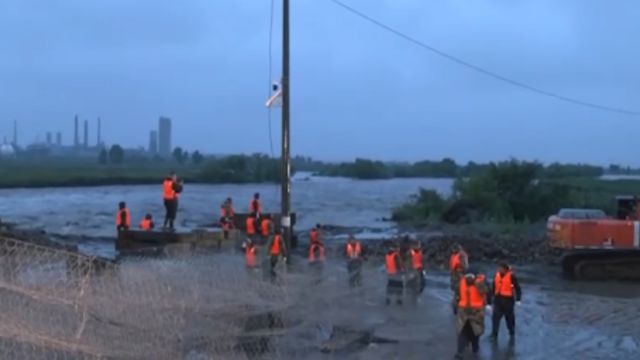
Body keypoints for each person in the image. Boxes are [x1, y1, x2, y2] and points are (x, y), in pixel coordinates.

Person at [455, 268, 488, 360]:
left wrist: (479, 283)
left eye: (471, 276)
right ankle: (459, 352)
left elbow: (486, 291)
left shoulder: (480, 284)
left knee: (475, 332)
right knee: (462, 331)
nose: (468, 278)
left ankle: (475, 348)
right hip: (464, 312)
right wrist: (455, 305)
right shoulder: (461, 283)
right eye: (467, 276)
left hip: (476, 313)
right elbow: (458, 294)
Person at [488, 262, 522, 341]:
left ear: (506, 269)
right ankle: (494, 334)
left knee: (509, 318)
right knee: (495, 317)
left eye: (501, 268)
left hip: (508, 300)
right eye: (499, 268)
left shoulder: (512, 276)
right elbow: (492, 289)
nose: (500, 270)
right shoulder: (496, 276)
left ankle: (511, 332)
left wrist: (518, 299)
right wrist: (489, 302)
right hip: (498, 299)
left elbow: (517, 288)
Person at [450, 243, 469, 314]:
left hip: (457, 276)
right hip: (456, 276)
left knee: (459, 292)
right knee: (458, 292)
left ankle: (457, 306)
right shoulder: (457, 255)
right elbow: (465, 266)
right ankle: (457, 306)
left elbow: (465, 266)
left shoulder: (460, 255)